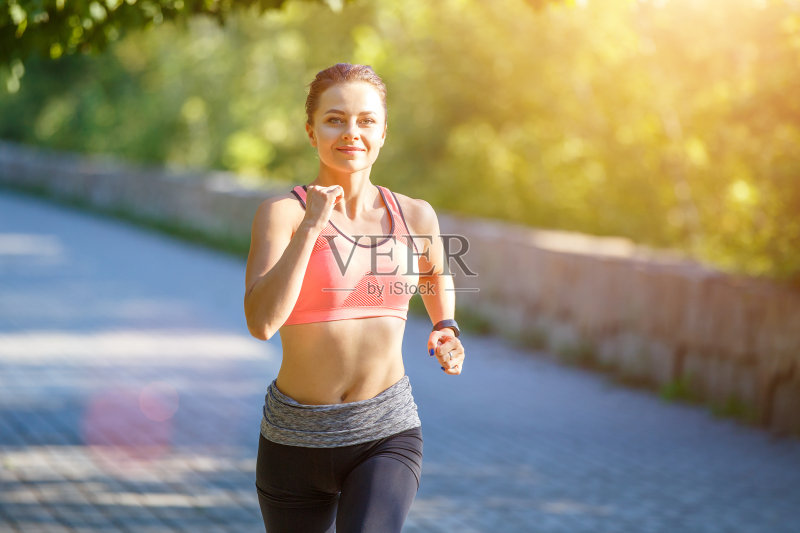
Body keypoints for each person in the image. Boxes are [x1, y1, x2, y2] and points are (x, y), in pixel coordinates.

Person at [243, 63, 466, 533]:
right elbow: (261, 323)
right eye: (335, 119)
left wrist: (445, 325)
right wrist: (311, 227)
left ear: (383, 132)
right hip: (295, 436)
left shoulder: (415, 215)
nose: (351, 132)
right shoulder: (281, 215)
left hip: (386, 430)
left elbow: (436, 272)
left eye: (366, 120)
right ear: (311, 131)